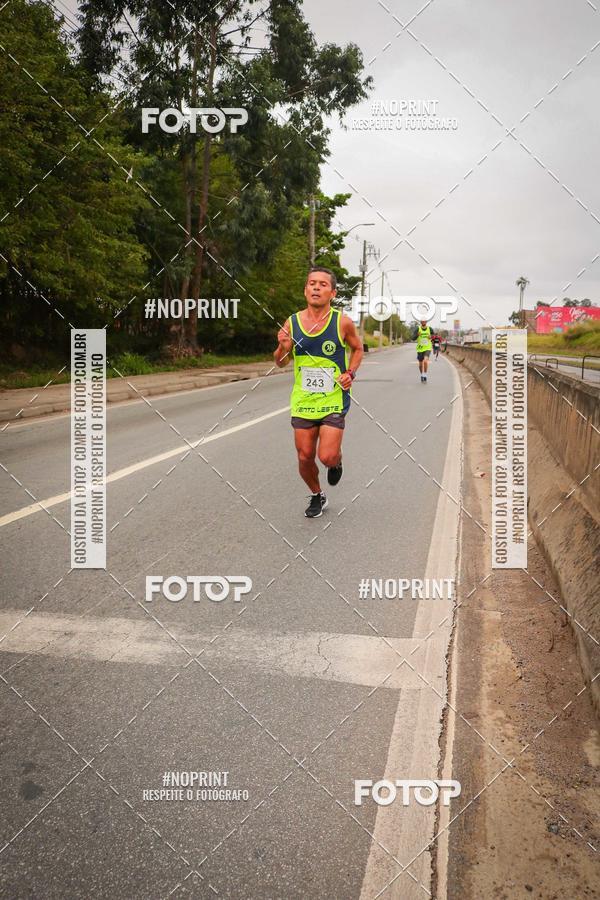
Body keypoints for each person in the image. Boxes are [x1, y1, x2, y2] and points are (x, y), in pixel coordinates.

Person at [273, 267, 364, 517]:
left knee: (327, 456)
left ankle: (336, 461)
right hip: (303, 401)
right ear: (305, 290)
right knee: (304, 457)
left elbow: (358, 349)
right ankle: (317, 494)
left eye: (323, 284)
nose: (316, 287)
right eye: (312, 283)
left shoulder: (342, 322)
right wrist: (282, 348)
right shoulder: (292, 323)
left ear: (332, 293)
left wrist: (350, 373)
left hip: (333, 398)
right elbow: (280, 362)